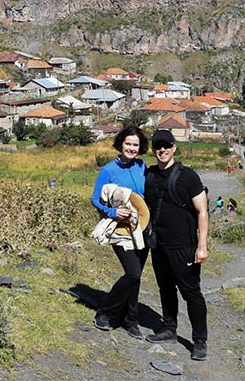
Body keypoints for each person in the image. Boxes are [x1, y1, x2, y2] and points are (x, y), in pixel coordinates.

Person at [144, 129, 210, 361]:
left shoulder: (188, 176)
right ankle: (169, 329)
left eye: (167, 145)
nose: (162, 149)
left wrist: (202, 245)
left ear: (174, 147)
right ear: (153, 149)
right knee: (165, 289)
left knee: (191, 293)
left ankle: (199, 340)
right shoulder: (149, 175)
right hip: (159, 245)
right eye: (158, 146)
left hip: (184, 246)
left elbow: (202, 211)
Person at [90, 125, 150, 339]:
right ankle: (106, 312)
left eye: (135, 145)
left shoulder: (142, 166)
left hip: (140, 227)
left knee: (136, 277)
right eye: (128, 144)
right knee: (132, 273)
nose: (132, 148)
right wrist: (113, 211)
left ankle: (130, 319)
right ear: (120, 144)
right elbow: (95, 199)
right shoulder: (108, 170)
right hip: (119, 228)